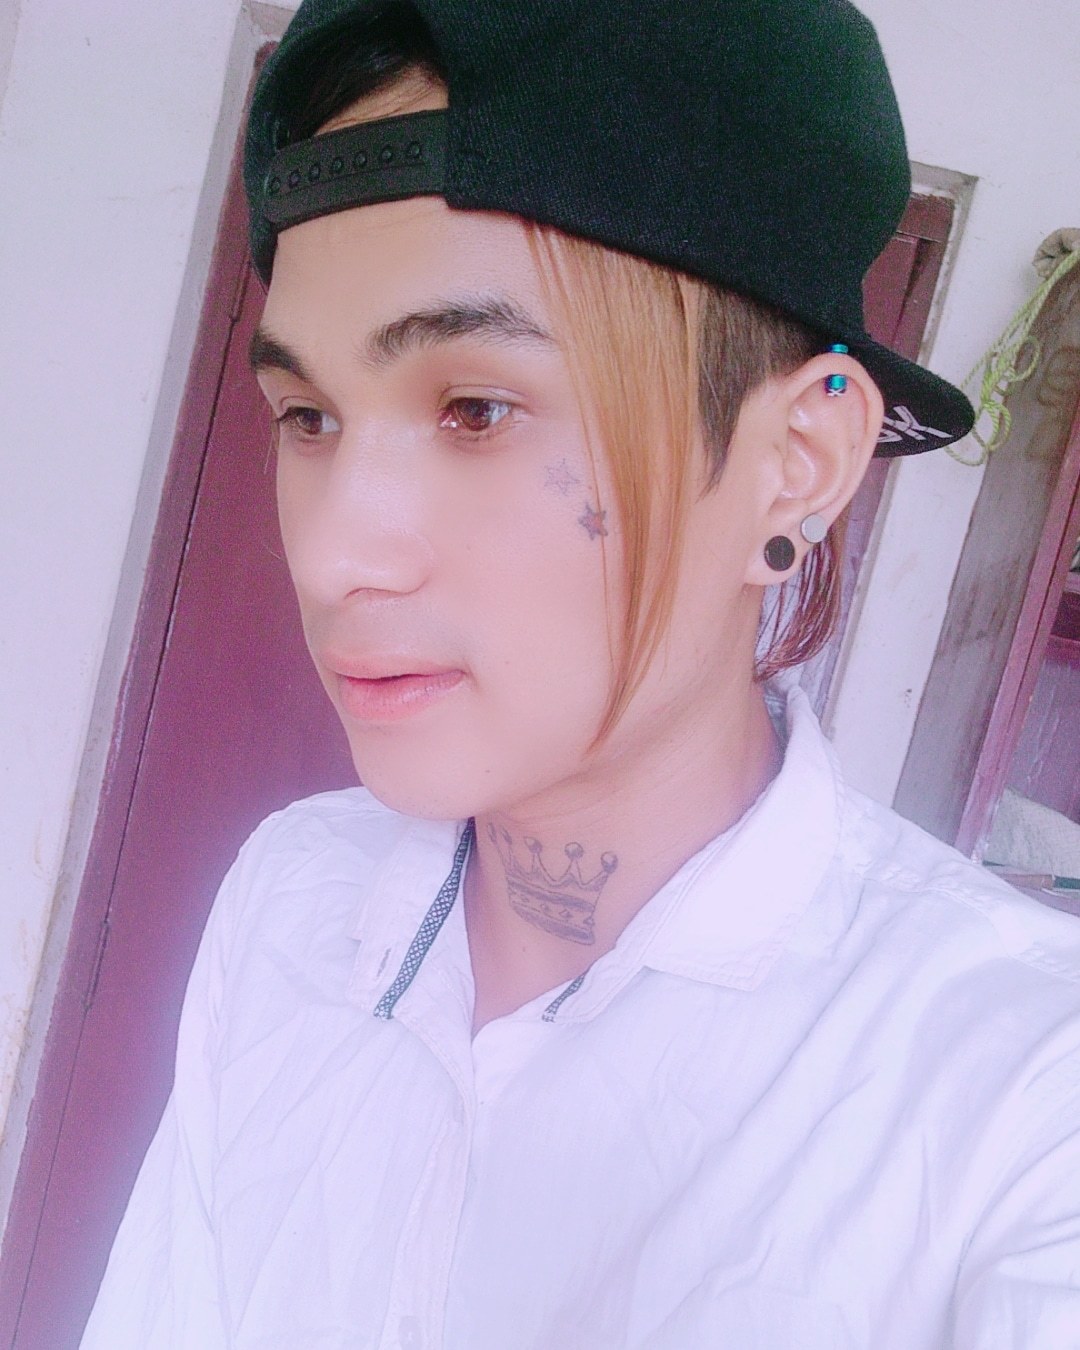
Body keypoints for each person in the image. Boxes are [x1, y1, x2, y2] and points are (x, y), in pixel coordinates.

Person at [82, 1, 1080, 1346]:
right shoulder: (294, 896)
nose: (331, 555)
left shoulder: (1023, 1101)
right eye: (307, 416)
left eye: (476, 409)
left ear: (797, 463)